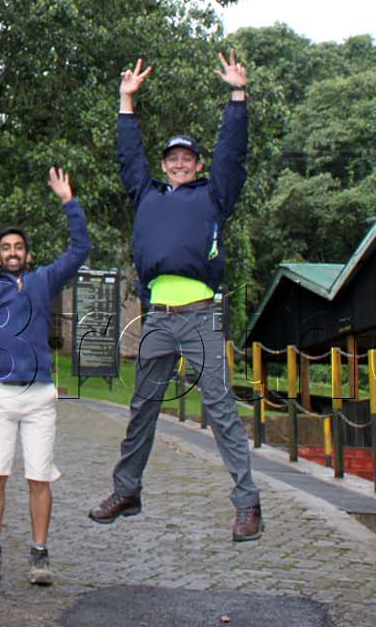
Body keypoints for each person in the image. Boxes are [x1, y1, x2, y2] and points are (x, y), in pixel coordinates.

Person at [88, 51, 262, 542]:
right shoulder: (148, 194)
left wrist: (237, 96)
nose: (180, 164)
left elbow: (233, 153)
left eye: (188, 158)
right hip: (158, 318)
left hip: (201, 315)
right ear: (165, 166)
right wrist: (126, 101)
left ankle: (248, 504)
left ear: (199, 165)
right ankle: (127, 490)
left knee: (220, 407)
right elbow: (129, 156)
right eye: (173, 159)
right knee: (142, 405)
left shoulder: (213, 195)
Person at [0, 167, 90, 585]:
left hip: (39, 395)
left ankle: (39, 554)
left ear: (28, 255)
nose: (13, 252)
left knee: (38, 476)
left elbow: (80, 248)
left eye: (19, 248)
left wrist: (69, 201)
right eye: (6, 248)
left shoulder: (44, 280)